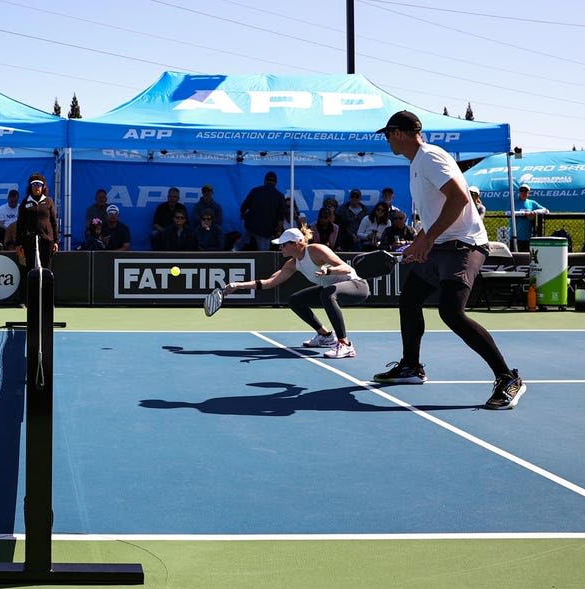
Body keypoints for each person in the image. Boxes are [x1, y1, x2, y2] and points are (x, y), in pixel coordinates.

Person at [374, 111, 525, 410]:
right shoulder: (418, 162)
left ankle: (508, 378)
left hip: (464, 245)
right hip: (441, 244)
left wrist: (427, 239)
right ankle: (411, 367)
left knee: (451, 313)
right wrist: (420, 240)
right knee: (410, 299)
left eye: (387, 134)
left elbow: (459, 198)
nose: (386, 139)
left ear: (398, 132)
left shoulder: (430, 157)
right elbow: (436, 211)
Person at [219, 226, 368, 359]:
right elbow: (268, 282)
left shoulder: (316, 250)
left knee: (327, 293)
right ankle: (325, 336)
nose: (281, 248)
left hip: (356, 286)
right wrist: (238, 285)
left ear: (296, 243)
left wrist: (328, 270)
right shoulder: (292, 264)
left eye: (283, 245)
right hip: (331, 290)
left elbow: (346, 268)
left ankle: (345, 344)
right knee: (296, 301)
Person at [16, 173, 59, 267]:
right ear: (30, 187)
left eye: (39, 185)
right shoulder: (25, 202)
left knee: (46, 266)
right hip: (29, 240)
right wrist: (18, 243)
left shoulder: (49, 201)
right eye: (34, 185)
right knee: (30, 266)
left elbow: (53, 222)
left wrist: (56, 241)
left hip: (46, 240)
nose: (37, 187)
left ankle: (45, 282)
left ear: (43, 187)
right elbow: (20, 223)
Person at [238, 171, 285, 251]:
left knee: (238, 248)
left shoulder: (255, 191)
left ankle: (231, 256)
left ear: (265, 181)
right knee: (264, 255)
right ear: (275, 182)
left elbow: (244, 206)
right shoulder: (279, 196)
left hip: (251, 226)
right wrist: (278, 231)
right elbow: (280, 217)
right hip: (266, 230)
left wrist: (244, 215)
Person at [511, 184, 547, 251]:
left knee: (527, 257)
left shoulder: (532, 203)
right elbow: (508, 213)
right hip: (515, 237)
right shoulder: (513, 203)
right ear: (519, 192)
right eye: (522, 191)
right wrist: (524, 213)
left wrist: (534, 212)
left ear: (528, 193)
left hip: (528, 237)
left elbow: (545, 210)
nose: (523, 193)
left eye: (526, 191)